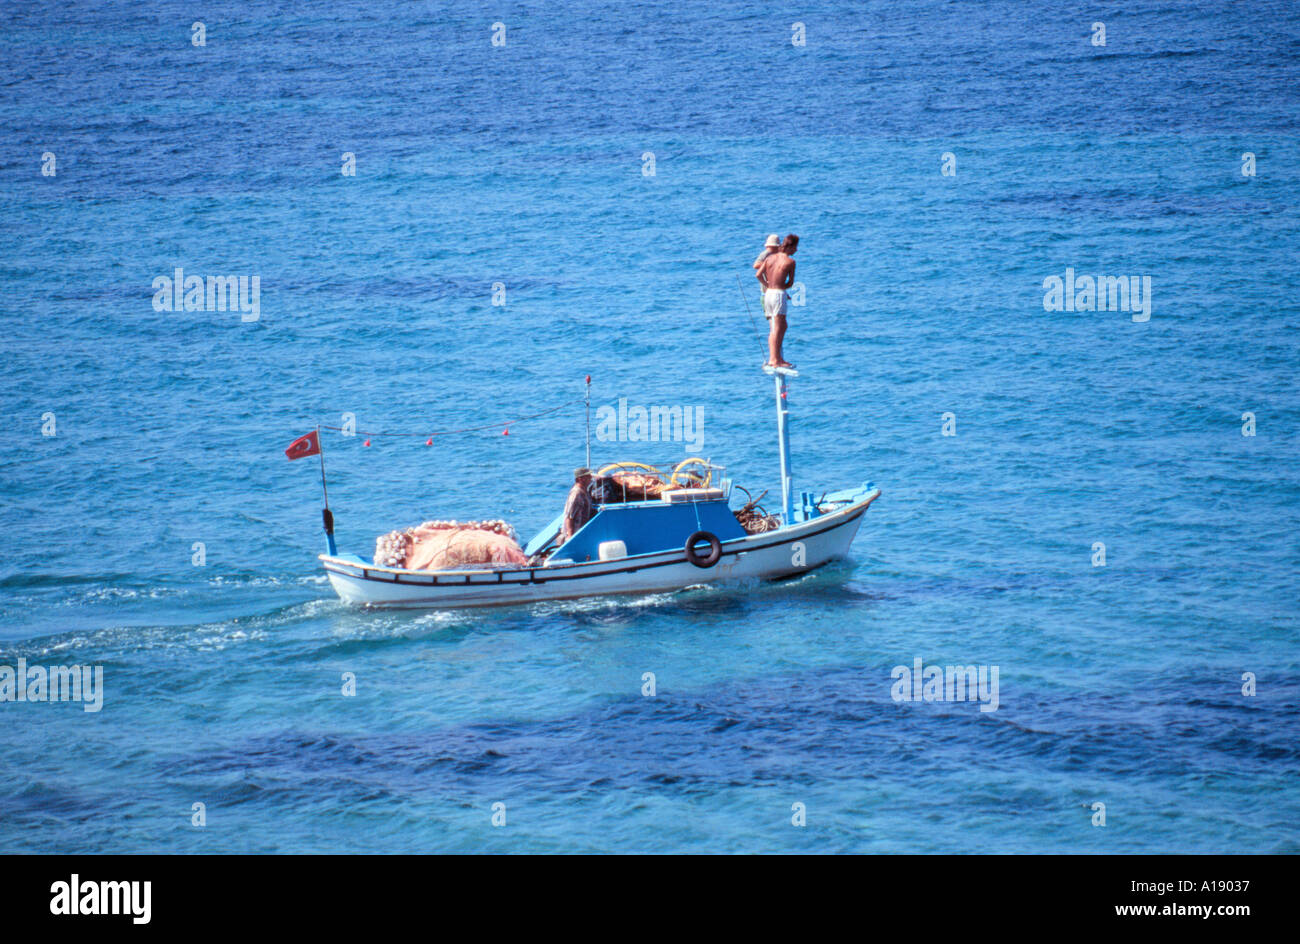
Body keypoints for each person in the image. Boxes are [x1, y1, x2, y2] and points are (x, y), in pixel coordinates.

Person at [760, 234, 798, 369]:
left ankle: (774, 358)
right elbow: (790, 282)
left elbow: (758, 274)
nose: (796, 250)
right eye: (795, 247)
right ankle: (775, 359)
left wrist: (768, 284)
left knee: (777, 327)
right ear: (791, 246)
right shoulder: (790, 262)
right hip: (778, 294)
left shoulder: (770, 258)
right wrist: (782, 286)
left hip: (768, 294)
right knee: (779, 327)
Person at [560, 468, 595, 543]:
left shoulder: (585, 491)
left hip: (581, 532)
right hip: (575, 533)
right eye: (588, 476)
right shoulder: (576, 493)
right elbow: (569, 516)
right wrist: (570, 536)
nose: (590, 478)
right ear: (580, 479)